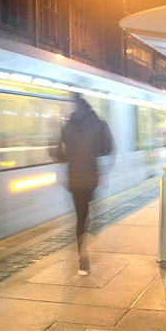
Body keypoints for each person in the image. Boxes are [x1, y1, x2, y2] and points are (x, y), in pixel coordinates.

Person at [58, 94, 114, 276]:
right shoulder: (98, 123)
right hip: (91, 178)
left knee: (80, 218)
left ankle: (83, 262)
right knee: (91, 214)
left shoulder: (67, 126)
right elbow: (108, 148)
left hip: (74, 179)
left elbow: (60, 154)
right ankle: (91, 236)